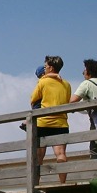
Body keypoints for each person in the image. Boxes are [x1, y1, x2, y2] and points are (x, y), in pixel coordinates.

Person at [29, 56, 71, 184]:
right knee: (61, 154)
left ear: (51, 68)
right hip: (61, 123)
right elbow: (67, 101)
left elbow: (33, 100)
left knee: (38, 157)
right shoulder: (66, 84)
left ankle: (35, 183)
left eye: (46, 66)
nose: (45, 69)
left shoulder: (42, 82)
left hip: (43, 122)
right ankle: (62, 183)